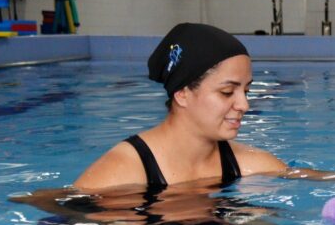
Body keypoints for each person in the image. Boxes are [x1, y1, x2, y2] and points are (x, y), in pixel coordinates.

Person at [75, 23, 287, 190]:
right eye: (227, 92)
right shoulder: (122, 171)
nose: (244, 105)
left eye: (246, 91)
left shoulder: (249, 165)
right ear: (182, 93)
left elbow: (312, 181)